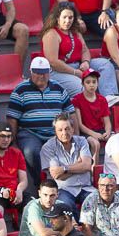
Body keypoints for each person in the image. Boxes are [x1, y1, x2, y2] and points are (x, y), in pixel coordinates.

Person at [7, 57, 74, 185]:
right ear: (30, 71)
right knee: (31, 151)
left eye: (44, 72)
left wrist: (74, 135)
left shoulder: (59, 88)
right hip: (30, 133)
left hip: (56, 133)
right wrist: (12, 142)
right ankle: (41, 184)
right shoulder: (20, 90)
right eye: (37, 72)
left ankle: (60, 184)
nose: (41, 76)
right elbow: (12, 119)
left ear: (49, 72)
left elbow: (71, 114)